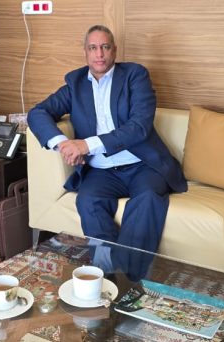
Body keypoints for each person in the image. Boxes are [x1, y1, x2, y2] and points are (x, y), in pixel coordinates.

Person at [28, 25, 186, 279]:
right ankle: (108, 274)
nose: (99, 54)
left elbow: (139, 127)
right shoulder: (76, 83)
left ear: (114, 50)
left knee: (147, 199)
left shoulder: (135, 76)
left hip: (142, 165)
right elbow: (38, 112)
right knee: (88, 201)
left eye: (105, 47)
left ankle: (129, 279)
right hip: (101, 171)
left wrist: (86, 145)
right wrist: (63, 143)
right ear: (85, 52)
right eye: (93, 48)